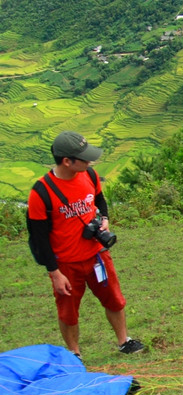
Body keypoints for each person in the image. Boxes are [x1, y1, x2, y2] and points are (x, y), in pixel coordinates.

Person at [26, 131, 145, 359]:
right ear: (67, 161)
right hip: (66, 264)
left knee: (114, 299)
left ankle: (124, 341)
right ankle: (74, 354)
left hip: (97, 255)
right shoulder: (40, 193)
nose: (90, 162)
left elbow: (100, 200)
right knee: (68, 312)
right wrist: (54, 273)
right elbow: (39, 239)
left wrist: (105, 219)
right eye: (84, 158)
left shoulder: (89, 175)